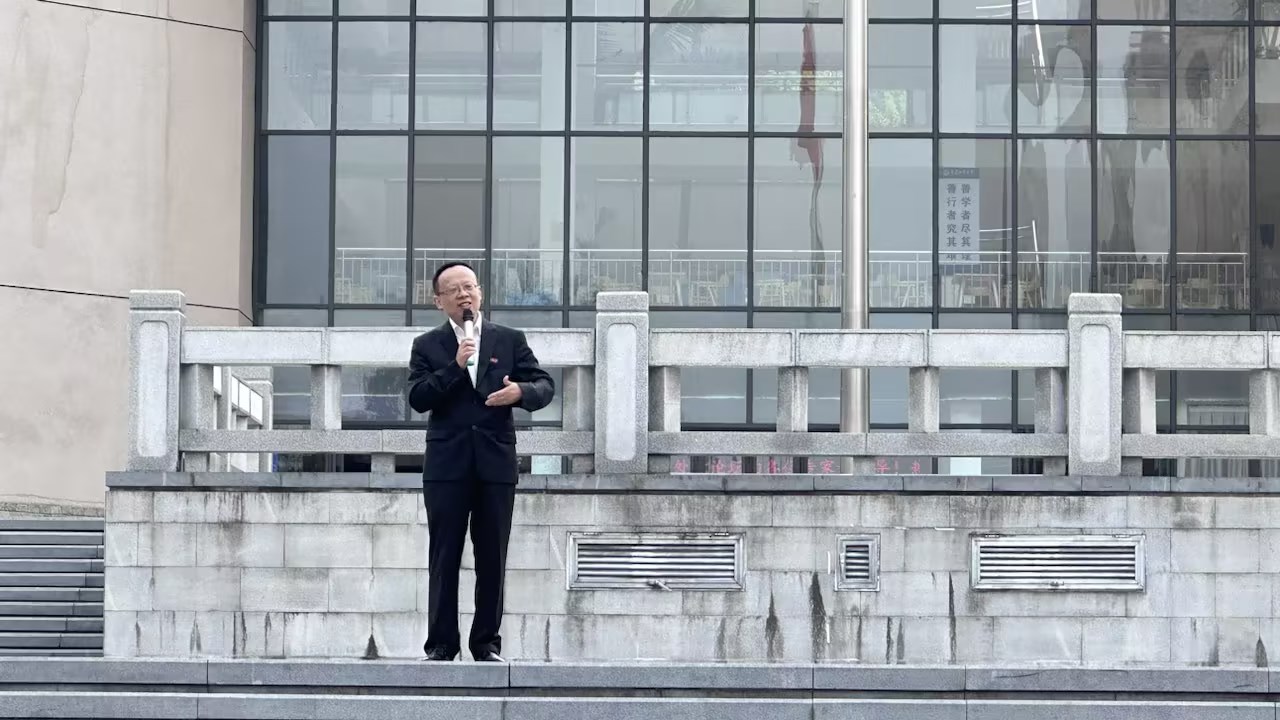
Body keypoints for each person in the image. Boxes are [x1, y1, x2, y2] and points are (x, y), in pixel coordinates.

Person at [407, 261, 555, 662]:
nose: (463, 295)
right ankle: (441, 645)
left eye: (469, 287)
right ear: (438, 301)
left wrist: (520, 392)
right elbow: (418, 397)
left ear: (480, 293)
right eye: (453, 290)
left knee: (492, 557)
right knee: (444, 557)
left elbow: (544, 385)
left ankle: (486, 644)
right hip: (446, 466)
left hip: (495, 463)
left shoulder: (509, 339)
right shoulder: (427, 345)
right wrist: (454, 366)